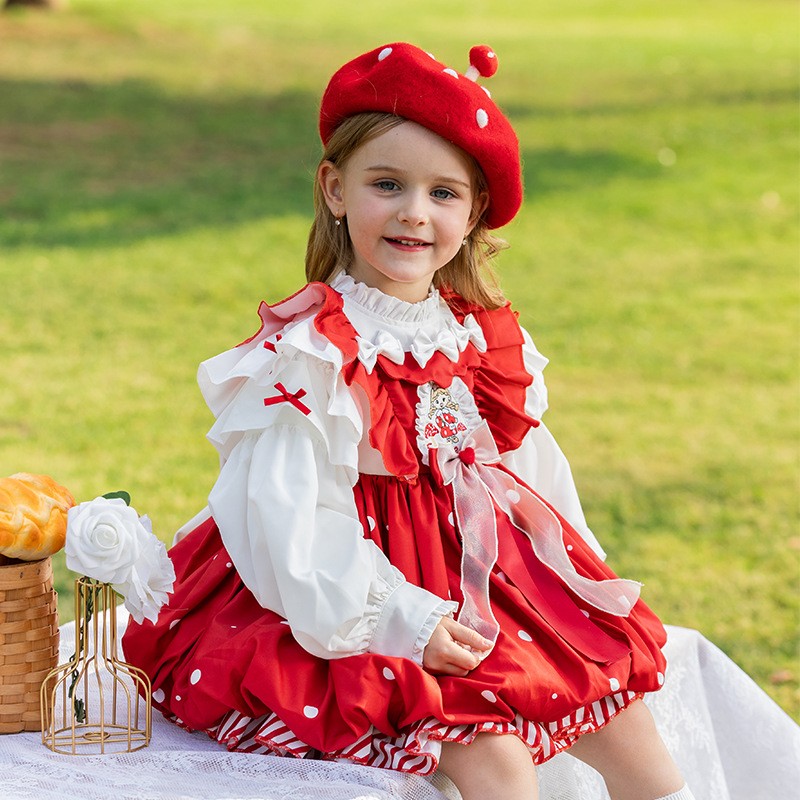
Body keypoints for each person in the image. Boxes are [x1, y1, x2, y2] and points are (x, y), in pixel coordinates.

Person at [122, 42, 696, 800]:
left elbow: (524, 475)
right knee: (495, 759)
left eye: (443, 193)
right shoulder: (313, 356)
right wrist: (401, 619)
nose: (414, 212)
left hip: (479, 578)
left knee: (631, 733)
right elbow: (284, 516)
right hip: (346, 598)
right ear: (335, 188)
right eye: (386, 183)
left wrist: (569, 582)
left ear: (474, 210)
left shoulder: (480, 338)